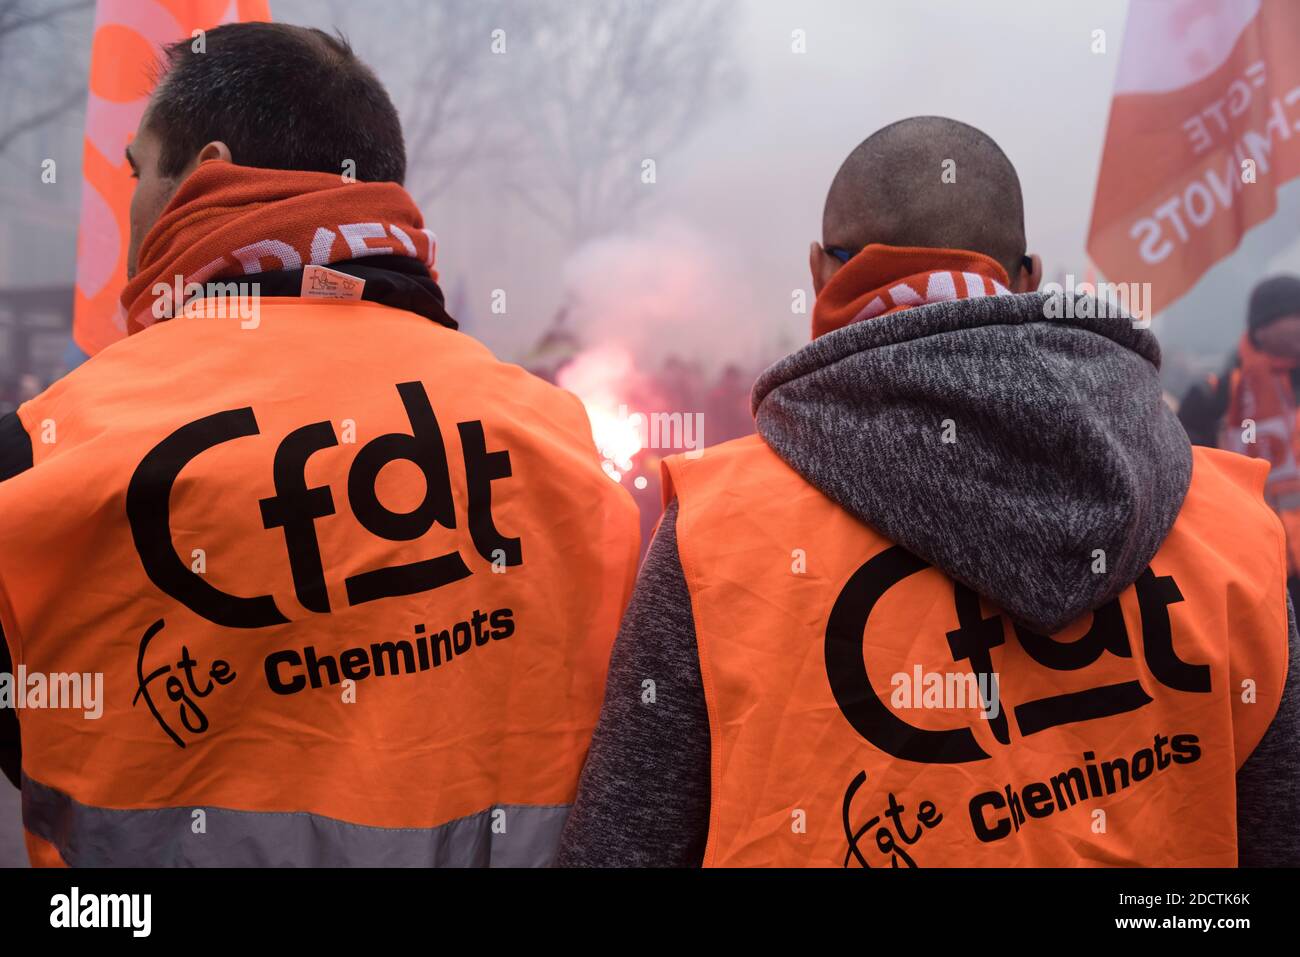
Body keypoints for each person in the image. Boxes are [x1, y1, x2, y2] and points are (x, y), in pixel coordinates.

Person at [558, 116, 1299, 868]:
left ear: (820, 273)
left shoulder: (716, 532)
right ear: (1028, 278)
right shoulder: (1232, 526)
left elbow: (623, 843)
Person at [0, 23, 639, 867]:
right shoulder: (562, 443)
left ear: (206, 171)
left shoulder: (44, 455)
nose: (129, 203)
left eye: (135, 169)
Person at [1179, 275, 1300, 593]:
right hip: (1253, 557)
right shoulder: (1217, 393)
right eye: (1294, 315)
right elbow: (1187, 470)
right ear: (1264, 326)